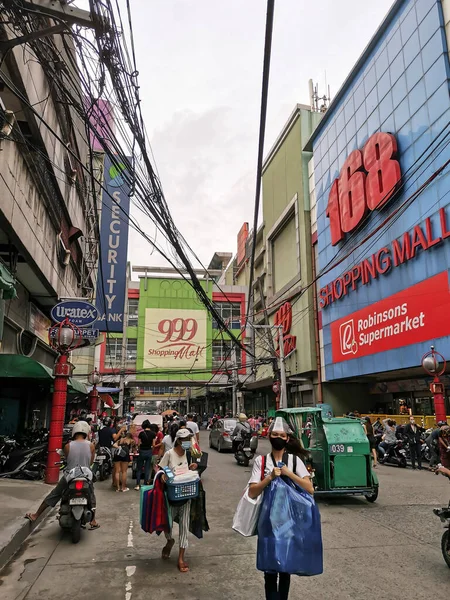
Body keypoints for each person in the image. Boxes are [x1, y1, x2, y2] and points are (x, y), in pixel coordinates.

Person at [248, 417, 314, 600]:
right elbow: (252, 492)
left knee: (285, 567)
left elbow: (310, 489)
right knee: (269, 570)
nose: (277, 437)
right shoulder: (261, 462)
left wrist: (288, 473)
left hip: (288, 523)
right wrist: (269, 478)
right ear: (269, 436)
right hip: (267, 523)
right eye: (274, 434)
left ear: (287, 438)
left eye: (281, 435)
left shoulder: (294, 461)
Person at [25, 421, 99, 529]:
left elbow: (67, 460)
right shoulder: (91, 446)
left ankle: (36, 515)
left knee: (55, 494)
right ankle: (93, 520)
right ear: (86, 432)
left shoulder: (68, 446)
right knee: (91, 495)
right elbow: (90, 463)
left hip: (70, 475)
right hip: (86, 476)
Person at [159, 428, 198, 573]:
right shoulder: (169, 454)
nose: (189, 442)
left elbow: (185, 471)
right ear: (179, 441)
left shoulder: (188, 453)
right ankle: (169, 540)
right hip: (171, 496)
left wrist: (192, 467)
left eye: (190, 439)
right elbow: (161, 469)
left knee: (184, 527)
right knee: (167, 525)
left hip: (186, 496)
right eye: (186, 439)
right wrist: (163, 476)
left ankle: (181, 557)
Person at [135, 420, 155, 490]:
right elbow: (154, 445)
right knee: (147, 469)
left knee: (139, 469)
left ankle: (137, 485)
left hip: (142, 451)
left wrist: (138, 449)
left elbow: (138, 444)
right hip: (149, 451)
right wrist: (151, 450)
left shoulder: (141, 433)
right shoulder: (153, 434)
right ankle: (145, 484)